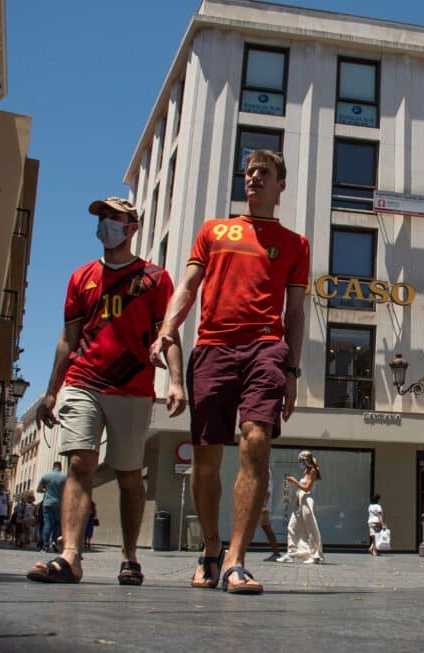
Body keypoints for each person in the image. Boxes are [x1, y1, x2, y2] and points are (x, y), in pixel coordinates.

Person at [150, 149, 309, 594]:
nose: (254, 177)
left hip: (266, 346)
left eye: (265, 172)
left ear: (281, 184)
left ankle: (237, 559)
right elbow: (187, 287)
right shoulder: (213, 230)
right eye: (250, 171)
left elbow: (294, 313)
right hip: (213, 347)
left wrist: (293, 370)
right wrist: (167, 328)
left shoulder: (295, 243)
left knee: (255, 442)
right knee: (205, 461)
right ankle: (211, 546)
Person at [27, 196, 183, 586]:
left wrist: (177, 381)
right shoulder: (81, 277)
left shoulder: (155, 278)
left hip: (132, 387)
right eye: (102, 218)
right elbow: (68, 338)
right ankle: (70, 555)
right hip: (84, 381)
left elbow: (170, 333)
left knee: (130, 474)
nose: (106, 225)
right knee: (79, 464)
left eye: (115, 219)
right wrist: (52, 390)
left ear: (132, 228)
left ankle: (130, 557)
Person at [278, 451, 324, 564]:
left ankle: (315, 555)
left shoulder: (313, 471)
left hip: (307, 501)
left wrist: (294, 481)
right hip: (300, 500)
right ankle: (291, 553)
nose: (300, 463)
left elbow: (307, 488)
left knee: (311, 528)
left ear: (306, 460)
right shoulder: (306, 471)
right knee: (292, 527)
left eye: (301, 461)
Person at [35, 461, 67, 554]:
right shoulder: (64, 477)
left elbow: (38, 489)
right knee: (57, 524)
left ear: (53, 467)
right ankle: (54, 542)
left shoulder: (46, 476)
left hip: (48, 503)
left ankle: (45, 546)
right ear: (60, 468)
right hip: (59, 503)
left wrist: (46, 490)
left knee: (48, 523)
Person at [259, 466, 282, 562]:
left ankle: (277, 553)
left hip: (262, 505)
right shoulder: (264, 468)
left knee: (266, 527)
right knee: (266, 527)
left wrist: (264, 504)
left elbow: (267, 489)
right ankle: (276, 552)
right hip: (261, 504)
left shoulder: (264, 469)